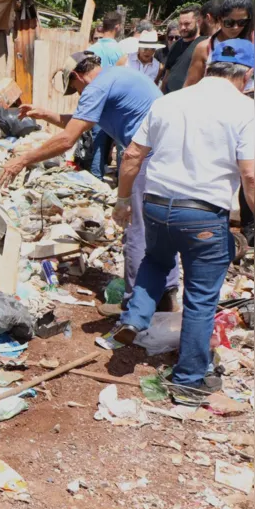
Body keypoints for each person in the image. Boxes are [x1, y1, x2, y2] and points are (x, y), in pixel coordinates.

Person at [105, 39, 255, 405]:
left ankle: (136, 316)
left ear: (209, 65)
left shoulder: (168, 100)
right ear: (248, 75)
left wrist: (124, 201)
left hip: (156, 205)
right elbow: (250, 177)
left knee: (156, 260)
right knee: (201, 297)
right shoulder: (246, 110)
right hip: (203, 213)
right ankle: (188, 380)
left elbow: (131, 155)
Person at [0, 51, 180, 317]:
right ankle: (167, 295)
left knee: (136, 231)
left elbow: (67, 140)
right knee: (160, 229)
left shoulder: (97, 87)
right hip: (170, 158)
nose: (79, 95)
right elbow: (80, 121)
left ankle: (134, 305)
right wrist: (45, 114)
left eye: (75, 89)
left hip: (146, 160)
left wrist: (23, 160)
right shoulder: (118, 76)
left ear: (76, 76)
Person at [86, 12, 127, 179]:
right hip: (116, 102)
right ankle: (120, 180)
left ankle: (96, 178)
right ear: (117, 27)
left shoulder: (91, 49)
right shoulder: (120, 50)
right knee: (121, 142)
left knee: (98, 140)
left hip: (97, 99)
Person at [184, 0, 253, 91]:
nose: (235, 27)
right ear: (220, 20)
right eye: (229, 22)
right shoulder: (204, 48)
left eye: (242, 22)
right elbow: (190, 86)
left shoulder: (252, 43)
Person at [161, 5, 205, 93]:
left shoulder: (204, 44)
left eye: (187, 24)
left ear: (198, 22)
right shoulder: (175, 45)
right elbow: (167, 74)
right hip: (169, 97)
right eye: (180, 24)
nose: (182, 28)